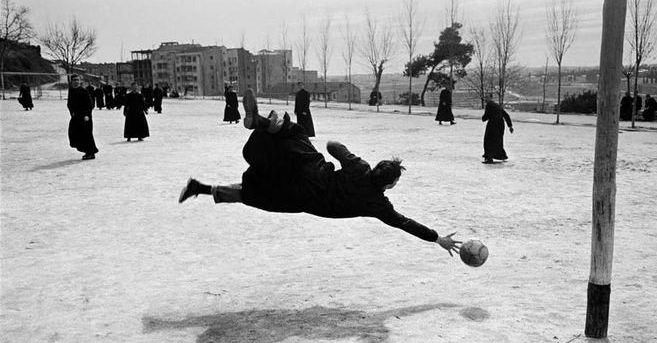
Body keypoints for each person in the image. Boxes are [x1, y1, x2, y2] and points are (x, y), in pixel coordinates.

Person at [178, 90, 461, 256]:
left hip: (310, 170)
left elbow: (332, 145)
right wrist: (437, 238)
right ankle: (262, 126)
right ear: (391, 185)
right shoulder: (378, 204)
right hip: (300, 198)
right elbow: (405, 223)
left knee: (295, 136)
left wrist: (348, 157)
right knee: (253, 194)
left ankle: (263, 126)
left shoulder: (360, 168)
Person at [67, 74, 99, 160]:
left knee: (86, 135)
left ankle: (91, 152)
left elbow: (90, 104)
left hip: (85, 117)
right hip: (76, 117)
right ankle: (86, 150)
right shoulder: (71, 91)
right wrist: (72, 112)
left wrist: (87, 115)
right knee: (74, 133)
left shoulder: (84, 91)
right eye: (74, 80)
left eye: (78, 80)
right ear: (71, 81)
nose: (76, 82)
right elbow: (69, 104)